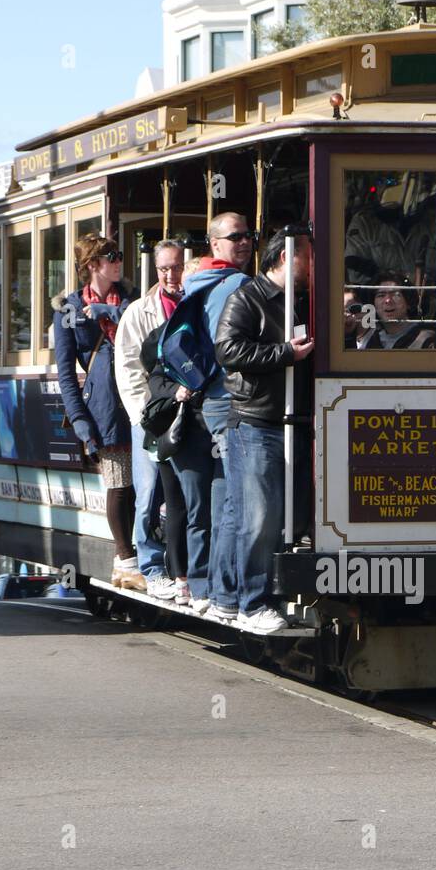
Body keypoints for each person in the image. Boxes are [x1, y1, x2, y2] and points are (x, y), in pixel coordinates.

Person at [212, 226, 314, 634]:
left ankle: (227, 598)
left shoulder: (301, 302)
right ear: (287, 257)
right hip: (255, 421)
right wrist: (284, 354)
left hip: (288, 420)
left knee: (242, 515)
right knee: (258, 517)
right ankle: (252, 604)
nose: (313, 265)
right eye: (308, 255)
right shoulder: (248, 297)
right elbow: (227, 349)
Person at [174, 213, 254, 619]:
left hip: (207, 400)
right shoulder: (237, 285)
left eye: (248, 235)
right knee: (231, 500)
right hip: (229, 398)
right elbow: (237, 346)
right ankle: (227, 591)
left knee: (215, 498)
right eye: (234, 236)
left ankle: (209, 585)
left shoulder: (197, 282)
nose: (244, 242)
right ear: (215, 244)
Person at [54, 233, 141, 589]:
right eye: (112, 256)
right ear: (93, 266)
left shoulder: (132, 300)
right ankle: (126, 559)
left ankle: (141, 557)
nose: (119, 261)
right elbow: (65, 373)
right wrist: (79, 420)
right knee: (120, 484)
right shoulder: (69, 309)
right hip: (105, 407)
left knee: (146, 486)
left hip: (139, 396)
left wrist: (108, 311)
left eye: (119, 255)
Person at [114, 239, 185, 600]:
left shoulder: (194, 305)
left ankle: (179, 568)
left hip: (190, 415)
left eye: (177, 267)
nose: (171, 275)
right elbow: (127, 369)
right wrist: (145, 415)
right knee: (149, 492)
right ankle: (152, 567)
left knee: (181, 495)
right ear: (155, 270)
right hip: (151, 417)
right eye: (164, 269)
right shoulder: (138, 313)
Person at [360, 273, 435, 350]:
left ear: (408, 302)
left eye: (395, 294)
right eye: (381, 295)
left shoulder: (426, 339)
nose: (388, 300)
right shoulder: (370, 341)